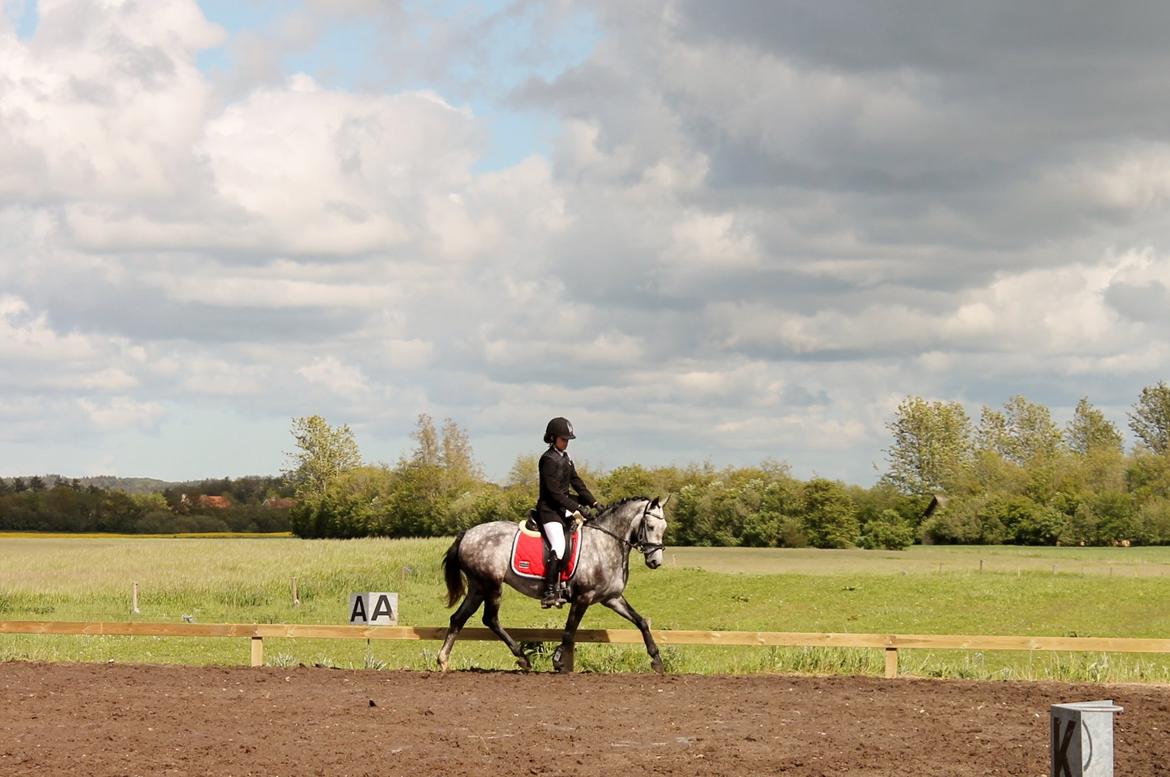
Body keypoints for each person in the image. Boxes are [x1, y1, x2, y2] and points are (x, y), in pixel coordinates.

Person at [535, 417, 599, 608]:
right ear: (552, 438)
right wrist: (577, 508)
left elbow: (577, 483)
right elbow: (554, 493)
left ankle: (565, 584)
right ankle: (548, 592)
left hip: (562, 510)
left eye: (568, 439)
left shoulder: (565, 458)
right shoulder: (548, 459)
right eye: (563, 439)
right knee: (559, 546)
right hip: (549, 511)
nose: (566, 442)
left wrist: (595, 503)